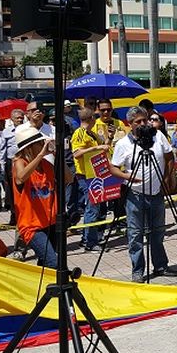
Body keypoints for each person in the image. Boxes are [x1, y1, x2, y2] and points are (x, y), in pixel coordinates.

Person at [109, 107, 177, 283]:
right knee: (135, 234)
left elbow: (169, 156)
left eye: (144, 120)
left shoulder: (158, 136)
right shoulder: (123, 144)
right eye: (137, 122)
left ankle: (161, 266)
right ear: (129, 124)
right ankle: (138, 271)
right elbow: (113, 168)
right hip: (135, 195)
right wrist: (128, 176)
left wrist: (167, 178)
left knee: (158, 232)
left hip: (157, 193)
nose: (142, 124)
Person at [12, 127, 71, 268]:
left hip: (50, 222)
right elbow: (21, 178)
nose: (44, 145)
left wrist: (59, 157)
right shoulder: (19, 162)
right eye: (40, 143)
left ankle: (41, 288)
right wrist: (40, 155)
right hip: (32, 226)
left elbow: (69, 178)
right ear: (30, 147)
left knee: (45, 265)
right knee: (53, 262)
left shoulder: (46, 165)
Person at [70, 108, 110, 251]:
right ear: (91, 118)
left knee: (95, 206)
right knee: (92, 207)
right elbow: (77, 153)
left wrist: (107, 139)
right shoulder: (79, 133)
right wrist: (96, 148)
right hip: (85, 175)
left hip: (95, 173)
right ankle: (90, 242)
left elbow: (102, 145)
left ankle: (88, 238)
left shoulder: (91, 133)